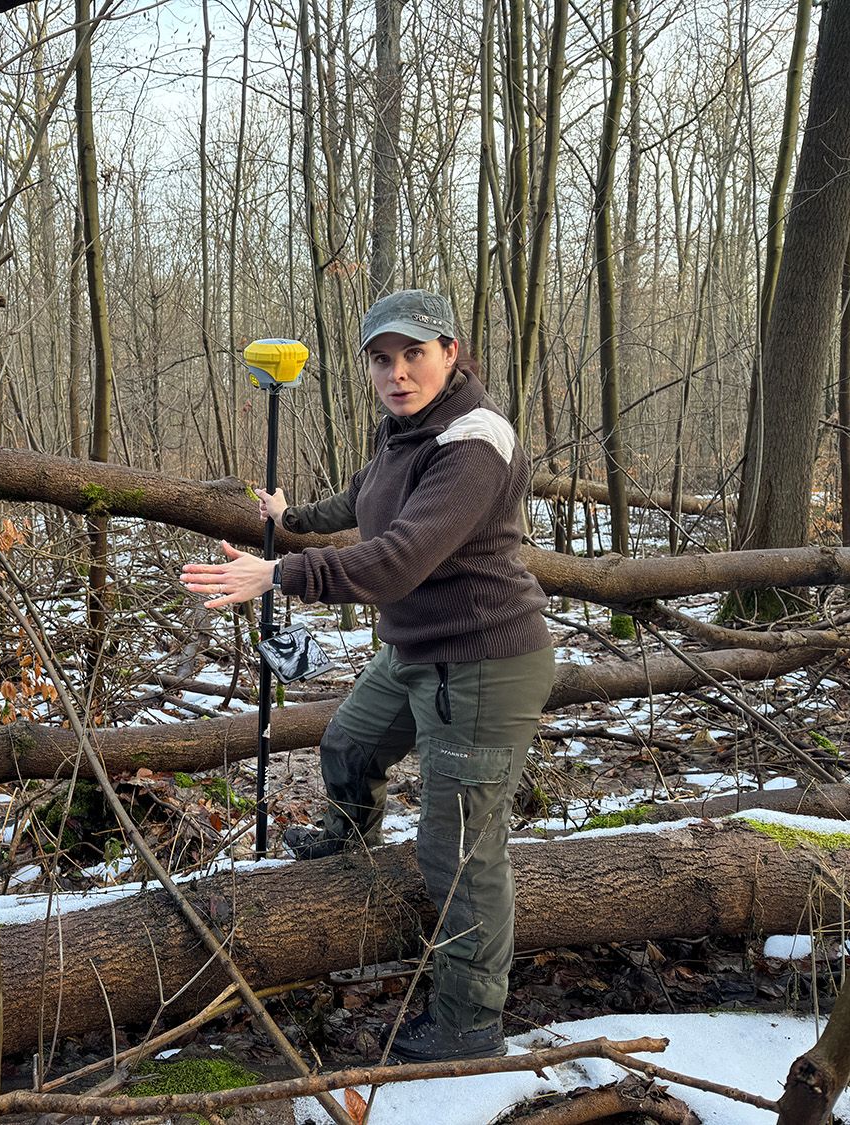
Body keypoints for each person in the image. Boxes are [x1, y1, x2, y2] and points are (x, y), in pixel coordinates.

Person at [179, 289, 553, 1063]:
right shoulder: (405, 434)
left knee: (460, 853)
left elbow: (399, 556)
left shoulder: (475, 442)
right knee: (348, 744)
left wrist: (279, 570)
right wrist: (293, 517)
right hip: (417, 652)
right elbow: (362, 499)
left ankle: (470, 1023)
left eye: (414, 353)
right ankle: (352, 854)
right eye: (382, 359)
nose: (397, 371)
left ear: (451, 351)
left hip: (482, 663)